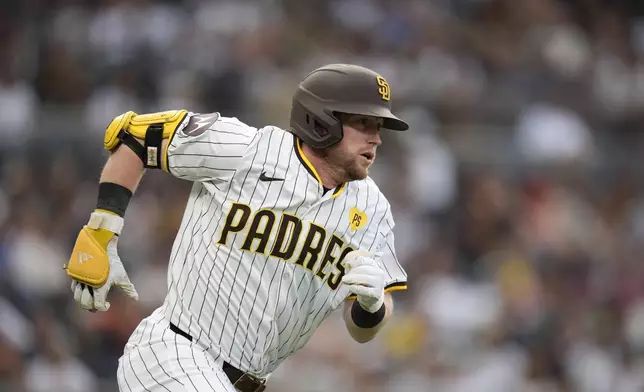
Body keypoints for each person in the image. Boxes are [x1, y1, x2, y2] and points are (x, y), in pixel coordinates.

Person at [64, 63, 409, 392]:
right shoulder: (248, 148)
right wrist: (101, 231)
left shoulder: (372, 209)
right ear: (323, 120)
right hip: (174, 353)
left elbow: (362, 330)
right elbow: (137, 138)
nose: (376, 138)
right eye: (364, 123)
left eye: (378, 127)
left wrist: (373, 305)